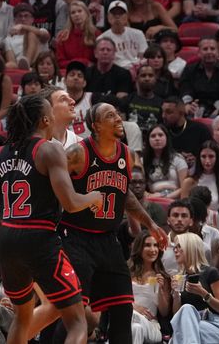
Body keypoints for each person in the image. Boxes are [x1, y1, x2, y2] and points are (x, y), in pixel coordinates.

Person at [0, 92, 103, 344]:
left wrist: (14, 226)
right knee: (78, 322)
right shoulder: (49, 150)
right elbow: (71, 203)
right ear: (45, 120)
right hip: (41, 241)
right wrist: (94, 197)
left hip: (8, 242)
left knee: (22, 317)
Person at [53, 103, 169, 343]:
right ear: (95, 126)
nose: (118, 118)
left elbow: (123, 193)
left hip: (108, 239)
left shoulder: (127, 154)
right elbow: (52, 186)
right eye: (110, 116)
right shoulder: (77, 153)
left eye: (117, 113)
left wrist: (150, 224)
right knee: (73, 314)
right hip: (75, 237)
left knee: (123, 308)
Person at [169, 232, 219, 344]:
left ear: (190, 248)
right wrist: (176, 295)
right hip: (190, 328)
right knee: (185, 317)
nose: (175, 250)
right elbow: (176, 315)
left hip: (213, 325)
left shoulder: (211, 272)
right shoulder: (181, 277)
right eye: (174, 247)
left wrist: (203, 293)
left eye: (179, 247)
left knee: (185, 317)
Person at [127, 230, 172, 344]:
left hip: (152, 326)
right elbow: (118, 299)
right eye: (147, 245)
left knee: (132, 317)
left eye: (156, 245)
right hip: (131, 322)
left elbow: (164, 312)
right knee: (136, 328)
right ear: (139, 248)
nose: (153, 250)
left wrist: (161, 290)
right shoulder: (127, 273)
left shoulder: (163, 277)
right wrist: (133, 307)